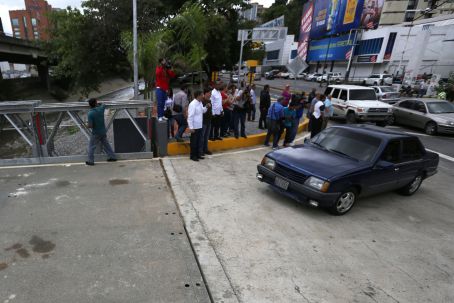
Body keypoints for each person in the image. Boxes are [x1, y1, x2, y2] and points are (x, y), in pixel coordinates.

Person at [85, 98, 117, 166]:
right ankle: (112, 157)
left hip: (96, 133)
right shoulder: (101, 109)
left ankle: (91, 161)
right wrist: (99, 104)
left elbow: (90, 125)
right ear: (96, 103)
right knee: (106, 145)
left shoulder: (90, 113)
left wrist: (86, 125)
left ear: (90, 105)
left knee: (91, 146)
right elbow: (104, 104)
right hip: (103, 131)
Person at [187, 90, 208, 162]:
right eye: (202, 95)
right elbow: (190, 116)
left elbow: (202, 111)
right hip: (194, 127)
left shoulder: (200, 103)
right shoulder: (192, 104)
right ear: (198, 95)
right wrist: (191, 127)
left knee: (199, 141)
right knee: (194, 142)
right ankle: (193, 156)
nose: (203, 96)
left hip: (199, 125)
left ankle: (198, 154)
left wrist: (206, 107)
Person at [200, 88, 213, 156]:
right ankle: (201, 150)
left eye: (210, 93)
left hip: (209, 120)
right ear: (205, 93)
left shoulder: (210, 101)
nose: (210, 94)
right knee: (202, 136)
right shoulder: (202, 101)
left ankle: (205, 149)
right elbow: (201, 111)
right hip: (203, 121)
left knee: (206, 136)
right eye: (209, 93)